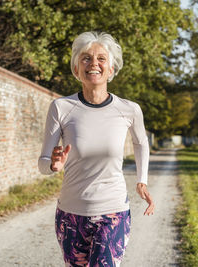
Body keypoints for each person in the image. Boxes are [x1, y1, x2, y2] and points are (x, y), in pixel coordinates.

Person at [38, 31, 154, 267]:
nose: (94, 64)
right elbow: (43, 162)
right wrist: (52, 164)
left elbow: (141, 142)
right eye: (86, 58)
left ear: (111, 70)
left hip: (113, 212)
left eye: (101, 58)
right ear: (76, 69)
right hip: (71, 214)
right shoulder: (61, 107)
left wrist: (142, 180)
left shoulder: (129, 109)